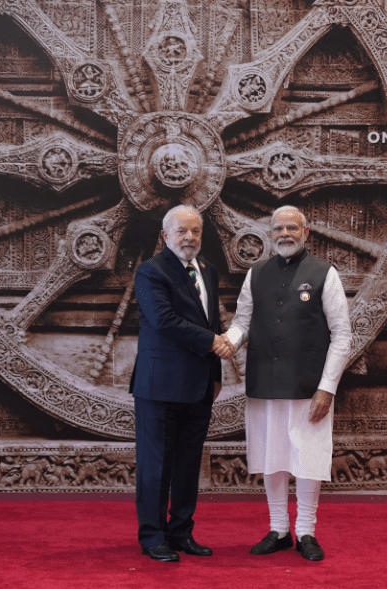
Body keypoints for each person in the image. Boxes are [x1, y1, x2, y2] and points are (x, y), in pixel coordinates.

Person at [223, 205, 351, 561]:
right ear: (271, 234)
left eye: (292, 228)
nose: (284, 234)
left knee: (308, 457)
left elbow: (342, 335)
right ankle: (279, 529)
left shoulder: (324, 273)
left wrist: (327, 387)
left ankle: (306, 531)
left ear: (305, 232)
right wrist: (227, 342)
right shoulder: (256, 273)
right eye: (278, 228)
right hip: (264, 382)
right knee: (272, 456)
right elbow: (242, 323)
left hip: (310, 387)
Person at [131, 205, 232, 562]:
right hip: (159, 385)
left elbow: (211, 322)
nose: (189, 238)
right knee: (155, 464)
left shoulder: (208, 270)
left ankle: (181, 532)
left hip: (199, 386)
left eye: (195, 231)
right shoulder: (150, 271)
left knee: (189, 463)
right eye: (181, 231)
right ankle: (153, 536)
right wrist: (213, 343)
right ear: (165, 236)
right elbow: (164, 320)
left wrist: (216, 375)